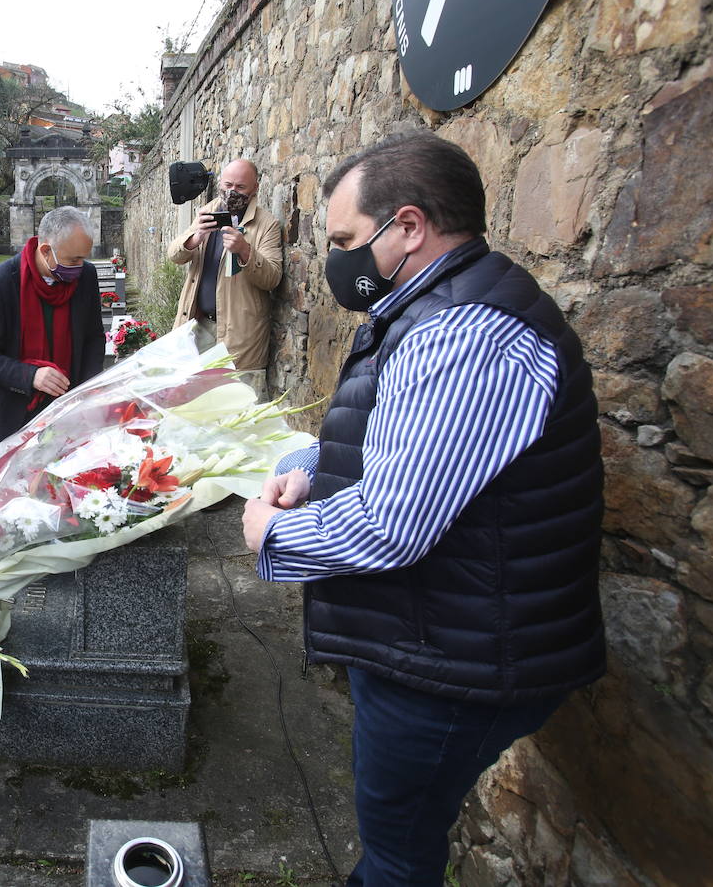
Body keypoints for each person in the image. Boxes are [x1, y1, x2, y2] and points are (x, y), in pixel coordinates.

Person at [241, 132, 606, 885]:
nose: (338, 259)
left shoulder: (463, 332)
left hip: (450, 663)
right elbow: (406, 439)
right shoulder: (435, 308)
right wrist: (310, 469)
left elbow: (392, 522)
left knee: (398, 856)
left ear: (407, 226)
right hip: (441, 637)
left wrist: (273, 533)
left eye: (344, 240)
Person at [0, 205, 106, 442]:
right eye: (73, 260)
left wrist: (85, 392)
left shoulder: (86, 275)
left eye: (83, 259)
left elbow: (94, 337)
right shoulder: (0, 282)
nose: (79, 267)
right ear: (45, 251)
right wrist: (32, 375)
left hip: (69, 410)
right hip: (14, 414)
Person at [168, 159, 283, 376]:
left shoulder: (266, 224)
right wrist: (196, 238)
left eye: (240, 187)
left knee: (236, 402)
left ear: (255, 188)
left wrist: (245, 250)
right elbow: (174, 254)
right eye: (228, 185)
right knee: (194, 400)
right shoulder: (208, 212)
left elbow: (272, 278)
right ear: (220, 182)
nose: (232, 192)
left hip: (238, 337)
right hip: (199, 327)